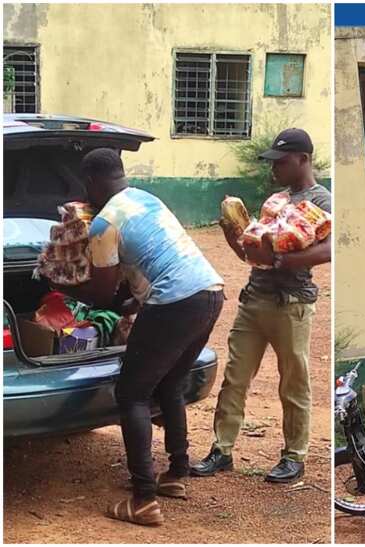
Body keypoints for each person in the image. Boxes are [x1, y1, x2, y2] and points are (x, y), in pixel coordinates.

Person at [62, 148, 225, 526]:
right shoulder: (146, 198)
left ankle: (143, 500)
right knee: (170, 383)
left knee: (132, 393)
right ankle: (177, 474)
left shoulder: (104, 224)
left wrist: (66, 287)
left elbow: (102, 295)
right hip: (211, 292)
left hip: (174, 301)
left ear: (90, 183)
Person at [192, 128, 331, 483]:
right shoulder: (276, 201)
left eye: (281, 162)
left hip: (292, 304)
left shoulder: (322, 201)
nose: (275, 170)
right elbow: (253, 255)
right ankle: (221, 450)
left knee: (293, 383)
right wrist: (233, 238)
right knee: (234, 379)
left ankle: (294, 456)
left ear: (303, 159)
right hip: (254, 300)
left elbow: (332, 249)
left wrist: (285, 261)